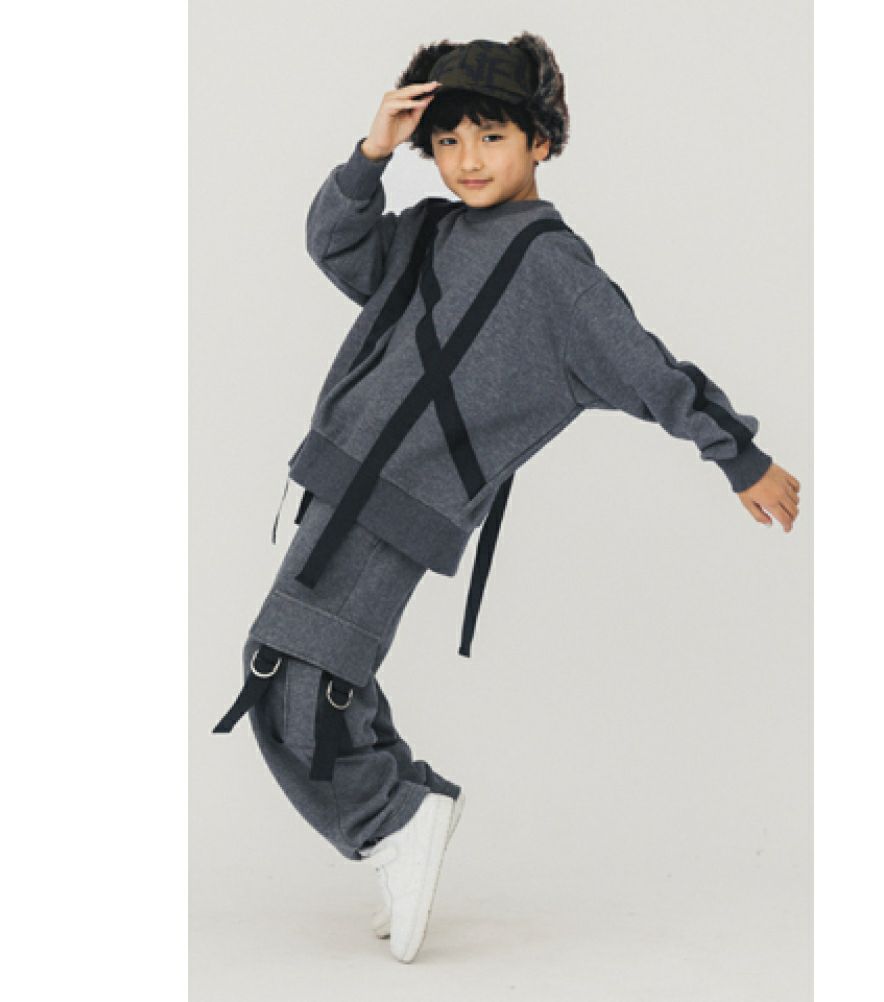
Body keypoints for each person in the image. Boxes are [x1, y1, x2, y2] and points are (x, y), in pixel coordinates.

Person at [212, 33, 801, 964]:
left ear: (541, 141)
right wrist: (372, 152)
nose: (469, 160)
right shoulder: (427, 230)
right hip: (334, 482)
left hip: (398, 508)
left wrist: (740, 457)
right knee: (314, 671)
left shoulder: (556, 274)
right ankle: (404, 811)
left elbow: (649, 369)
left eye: (491, 135)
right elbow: (334, 242)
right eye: (448, 141)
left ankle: (394, 819)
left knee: (292, 677)